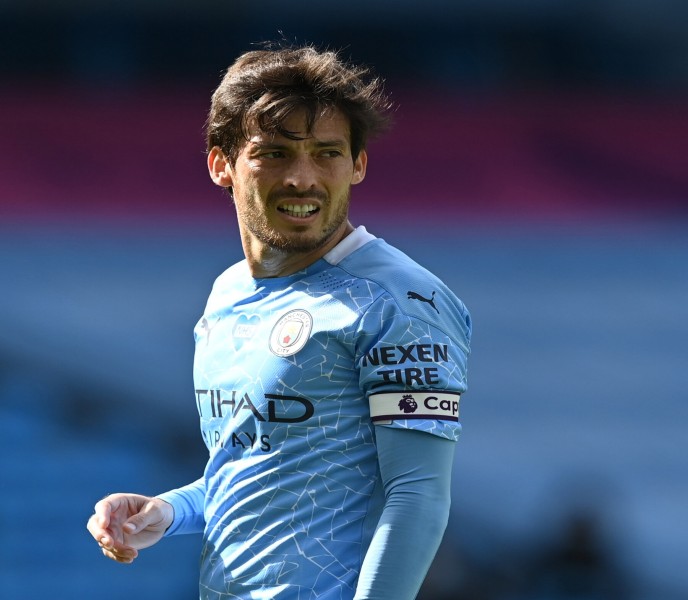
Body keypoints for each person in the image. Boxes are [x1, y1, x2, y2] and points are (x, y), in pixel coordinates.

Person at [87, 44, 472, 600]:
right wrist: (167, 512)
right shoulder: (227, 294)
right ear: (221, 165)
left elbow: (417, 496)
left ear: (358, 165)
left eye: (327, 153)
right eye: (275, 153)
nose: (302, 178)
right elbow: (254, 467)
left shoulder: (399, 301)